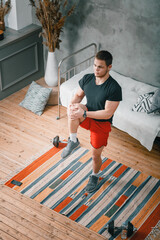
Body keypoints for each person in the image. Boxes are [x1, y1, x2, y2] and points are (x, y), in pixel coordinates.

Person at [61, 50, 122, 193]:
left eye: (100, 67)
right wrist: (71, 106)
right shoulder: (88, 78)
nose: (96, 69)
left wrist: (84, 113)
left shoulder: (114, 88)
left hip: (101, 123)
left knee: (95, 156)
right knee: (74, 109)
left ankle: (94, 176)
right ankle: (73, 140)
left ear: (109, 67)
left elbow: (107, 113)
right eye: (95, 65)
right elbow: (77, 95)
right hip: (87, 115)